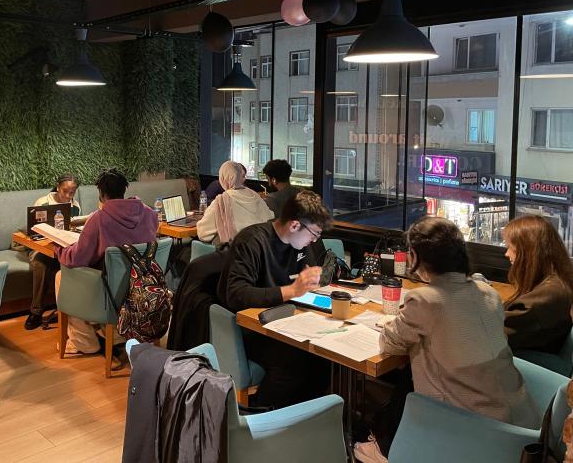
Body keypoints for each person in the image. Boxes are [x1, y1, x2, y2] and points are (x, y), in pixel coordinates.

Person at [355, 217, 539, 463]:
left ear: (415, 257)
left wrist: (393, 321)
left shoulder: (424, 300)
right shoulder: (489, 293)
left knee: (412, 370)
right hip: (523, 422)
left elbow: (389, 344)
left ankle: (386, 449)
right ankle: (387, 439)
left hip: (472, 428)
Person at [217, 190, 334, 408]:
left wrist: (311, 281)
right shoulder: (252, 241)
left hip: (284, 322)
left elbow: (305, 277)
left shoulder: (299, 245)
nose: (314, 240)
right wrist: (292, 290)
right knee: (293, 362)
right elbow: (236, 294)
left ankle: (301, 414)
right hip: (249, 328)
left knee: (326, 359)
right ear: (294, 225)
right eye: (314, 234)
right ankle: (263, 415)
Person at [54, 168, 158, 363]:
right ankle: (115, 333)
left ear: (101, 194)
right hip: (142, 287)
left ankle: (83, 341)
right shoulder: (149, 214)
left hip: (111, 291)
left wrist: (60, 249)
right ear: (123, 190)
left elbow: (77, 258)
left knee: (62, 276)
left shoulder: (99, 219)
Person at [502, 215, 573, 353]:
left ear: (527, 251)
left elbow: (497, 336)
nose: (506, 253)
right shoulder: (557, 282)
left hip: (529, 360)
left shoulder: (547, 296)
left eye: (509, 247)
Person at [25, 174, 81, 330]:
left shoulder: (75, 206)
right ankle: (36, 312)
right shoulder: (42, 203)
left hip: (63, 247)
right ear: (58, 188)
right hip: (42, 247)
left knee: (79, 263)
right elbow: (33, 231)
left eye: (72, 193)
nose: (68, 196)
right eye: (65, 191)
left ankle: (71, 312)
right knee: (40, 264)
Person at [197, 161, 273, 246]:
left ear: (222, 178)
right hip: (262, 248)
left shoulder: (221, 201)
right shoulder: (255, 196)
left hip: (235, 251)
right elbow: (270, 217)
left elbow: (203, 234)